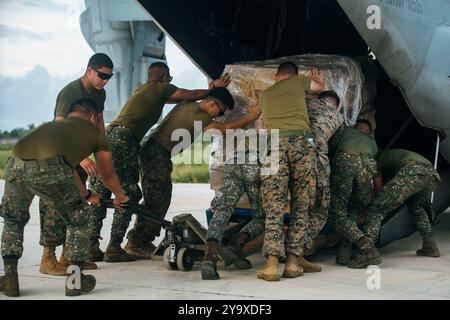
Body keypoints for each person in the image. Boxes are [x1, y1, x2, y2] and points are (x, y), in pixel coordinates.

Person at [89, 62, 231, 262]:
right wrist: (214, 87)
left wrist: (210, 93)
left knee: (101, 191)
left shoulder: (144, 90)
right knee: (129, 194)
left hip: (111, 135)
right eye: (170, 80)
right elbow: (189, 94)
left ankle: (90, 245)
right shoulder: (161, 88)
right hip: (124, 140)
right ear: (164, 78)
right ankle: (117, 247)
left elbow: (189, 101)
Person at [0, 98, 129, 297]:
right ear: (92, 117)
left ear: (70, 113)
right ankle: (75, 282)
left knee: (13, 221)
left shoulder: (53, 126)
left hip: (15, 164)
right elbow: (107, 174)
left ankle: (10, 280)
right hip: (50, 168)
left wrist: (86, 194)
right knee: (78, 221)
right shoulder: (95, 134)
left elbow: (67, 168)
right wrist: (120, 196)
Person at [125, 87, 261, 259]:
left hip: (155, 151)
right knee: (157, 200)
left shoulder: (187, 104)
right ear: (213, 104)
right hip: (156, 153)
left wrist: (213, 86)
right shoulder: (201, 117)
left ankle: (140, 240)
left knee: (160, 196)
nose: (217, 117)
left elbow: (195, 94)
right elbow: (223, 129)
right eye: (219, 112)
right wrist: (249, 117)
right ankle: (136, 242)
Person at [38, 53, 114, 274]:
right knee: (55, 206)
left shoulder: (100, 94)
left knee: (77, 204)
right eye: (101, 75)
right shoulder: (70, 92)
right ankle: (48, 259)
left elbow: (99, 122)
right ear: (89, 70)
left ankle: (68, 258)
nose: (104, 80)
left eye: (109, 77)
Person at [256, 61, 324, 281]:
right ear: (294, 75)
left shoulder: (264, 95)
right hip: (302, 144)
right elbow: (317, 89)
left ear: (276, 76)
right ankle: (294, 262)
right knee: (302, 203)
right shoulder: (298, 82)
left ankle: (272, 265)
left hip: (274, 144)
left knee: (274, 204)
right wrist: (319, 82)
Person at [347, 149, 441, 268]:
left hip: (412, 171)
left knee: (376, 209)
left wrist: (372, 205)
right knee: (417, 208)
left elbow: (378, 187)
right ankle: (430, 246)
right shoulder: (394, 154)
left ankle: (368, 252)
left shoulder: (376, 159)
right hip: (432, 175)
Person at [328, 119, 379, 266]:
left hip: (346, 161)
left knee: (337, 213)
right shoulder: (372, 143)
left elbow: (331, 147)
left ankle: (367, 247)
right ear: (369, 132)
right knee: (355, 208)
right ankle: (343, 255)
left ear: (356, 128)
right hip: (368, 165)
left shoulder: (346, 131)